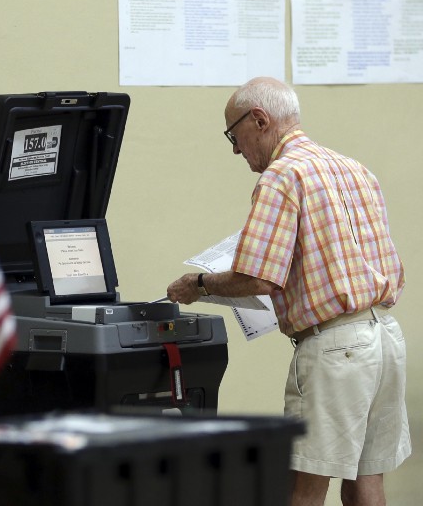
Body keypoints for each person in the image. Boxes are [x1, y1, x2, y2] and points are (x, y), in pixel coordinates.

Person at [166, 77, 410, 506]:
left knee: (303, 487)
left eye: (233, 135)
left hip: (337, 350)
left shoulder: (282, 176)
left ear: (258, 119)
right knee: (366, 480)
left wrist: (199, 285)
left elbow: (258, 279)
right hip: (385, 338)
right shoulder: (354, 168)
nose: (236, 149)